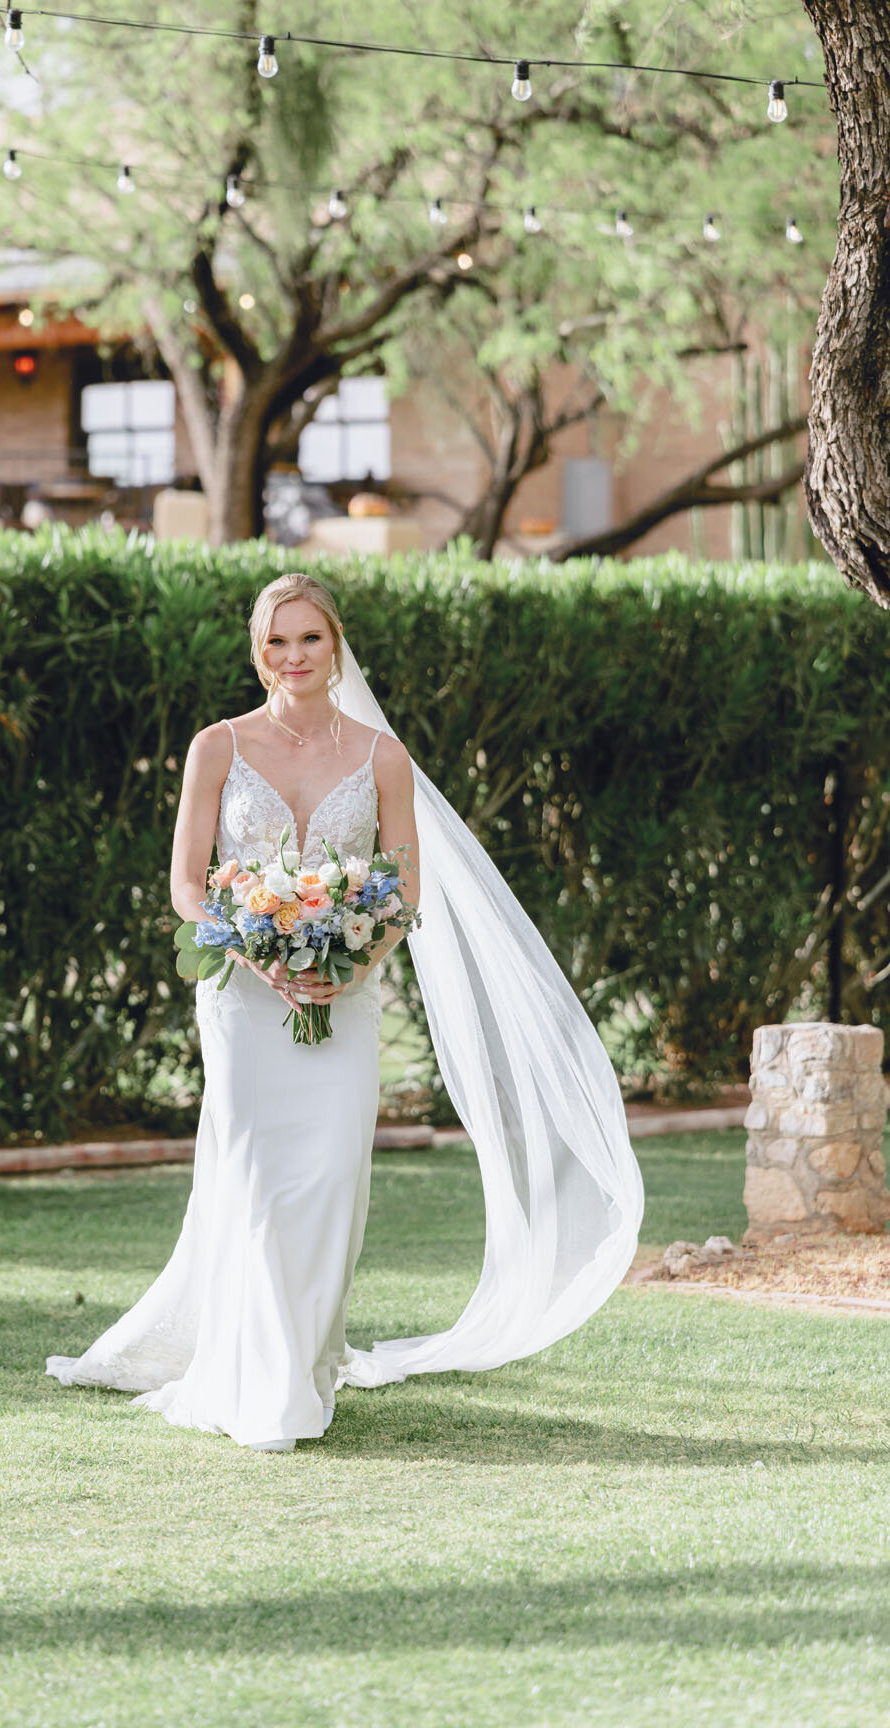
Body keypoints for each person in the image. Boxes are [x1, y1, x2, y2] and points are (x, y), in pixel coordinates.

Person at [47, 571, 644, 1451]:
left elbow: (403, 889)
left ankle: (302, 1359)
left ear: (335, 645)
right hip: (244, 1002)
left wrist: (351, 964)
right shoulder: (217, 747)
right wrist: (257, 951)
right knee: (255, 1179)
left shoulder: (380, 756)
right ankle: (262, 1382)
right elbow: (186, 885)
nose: (294, 656)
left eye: (310, 638)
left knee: (329, 1183)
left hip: (345, 996)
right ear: (259, 652)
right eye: (277, 640)